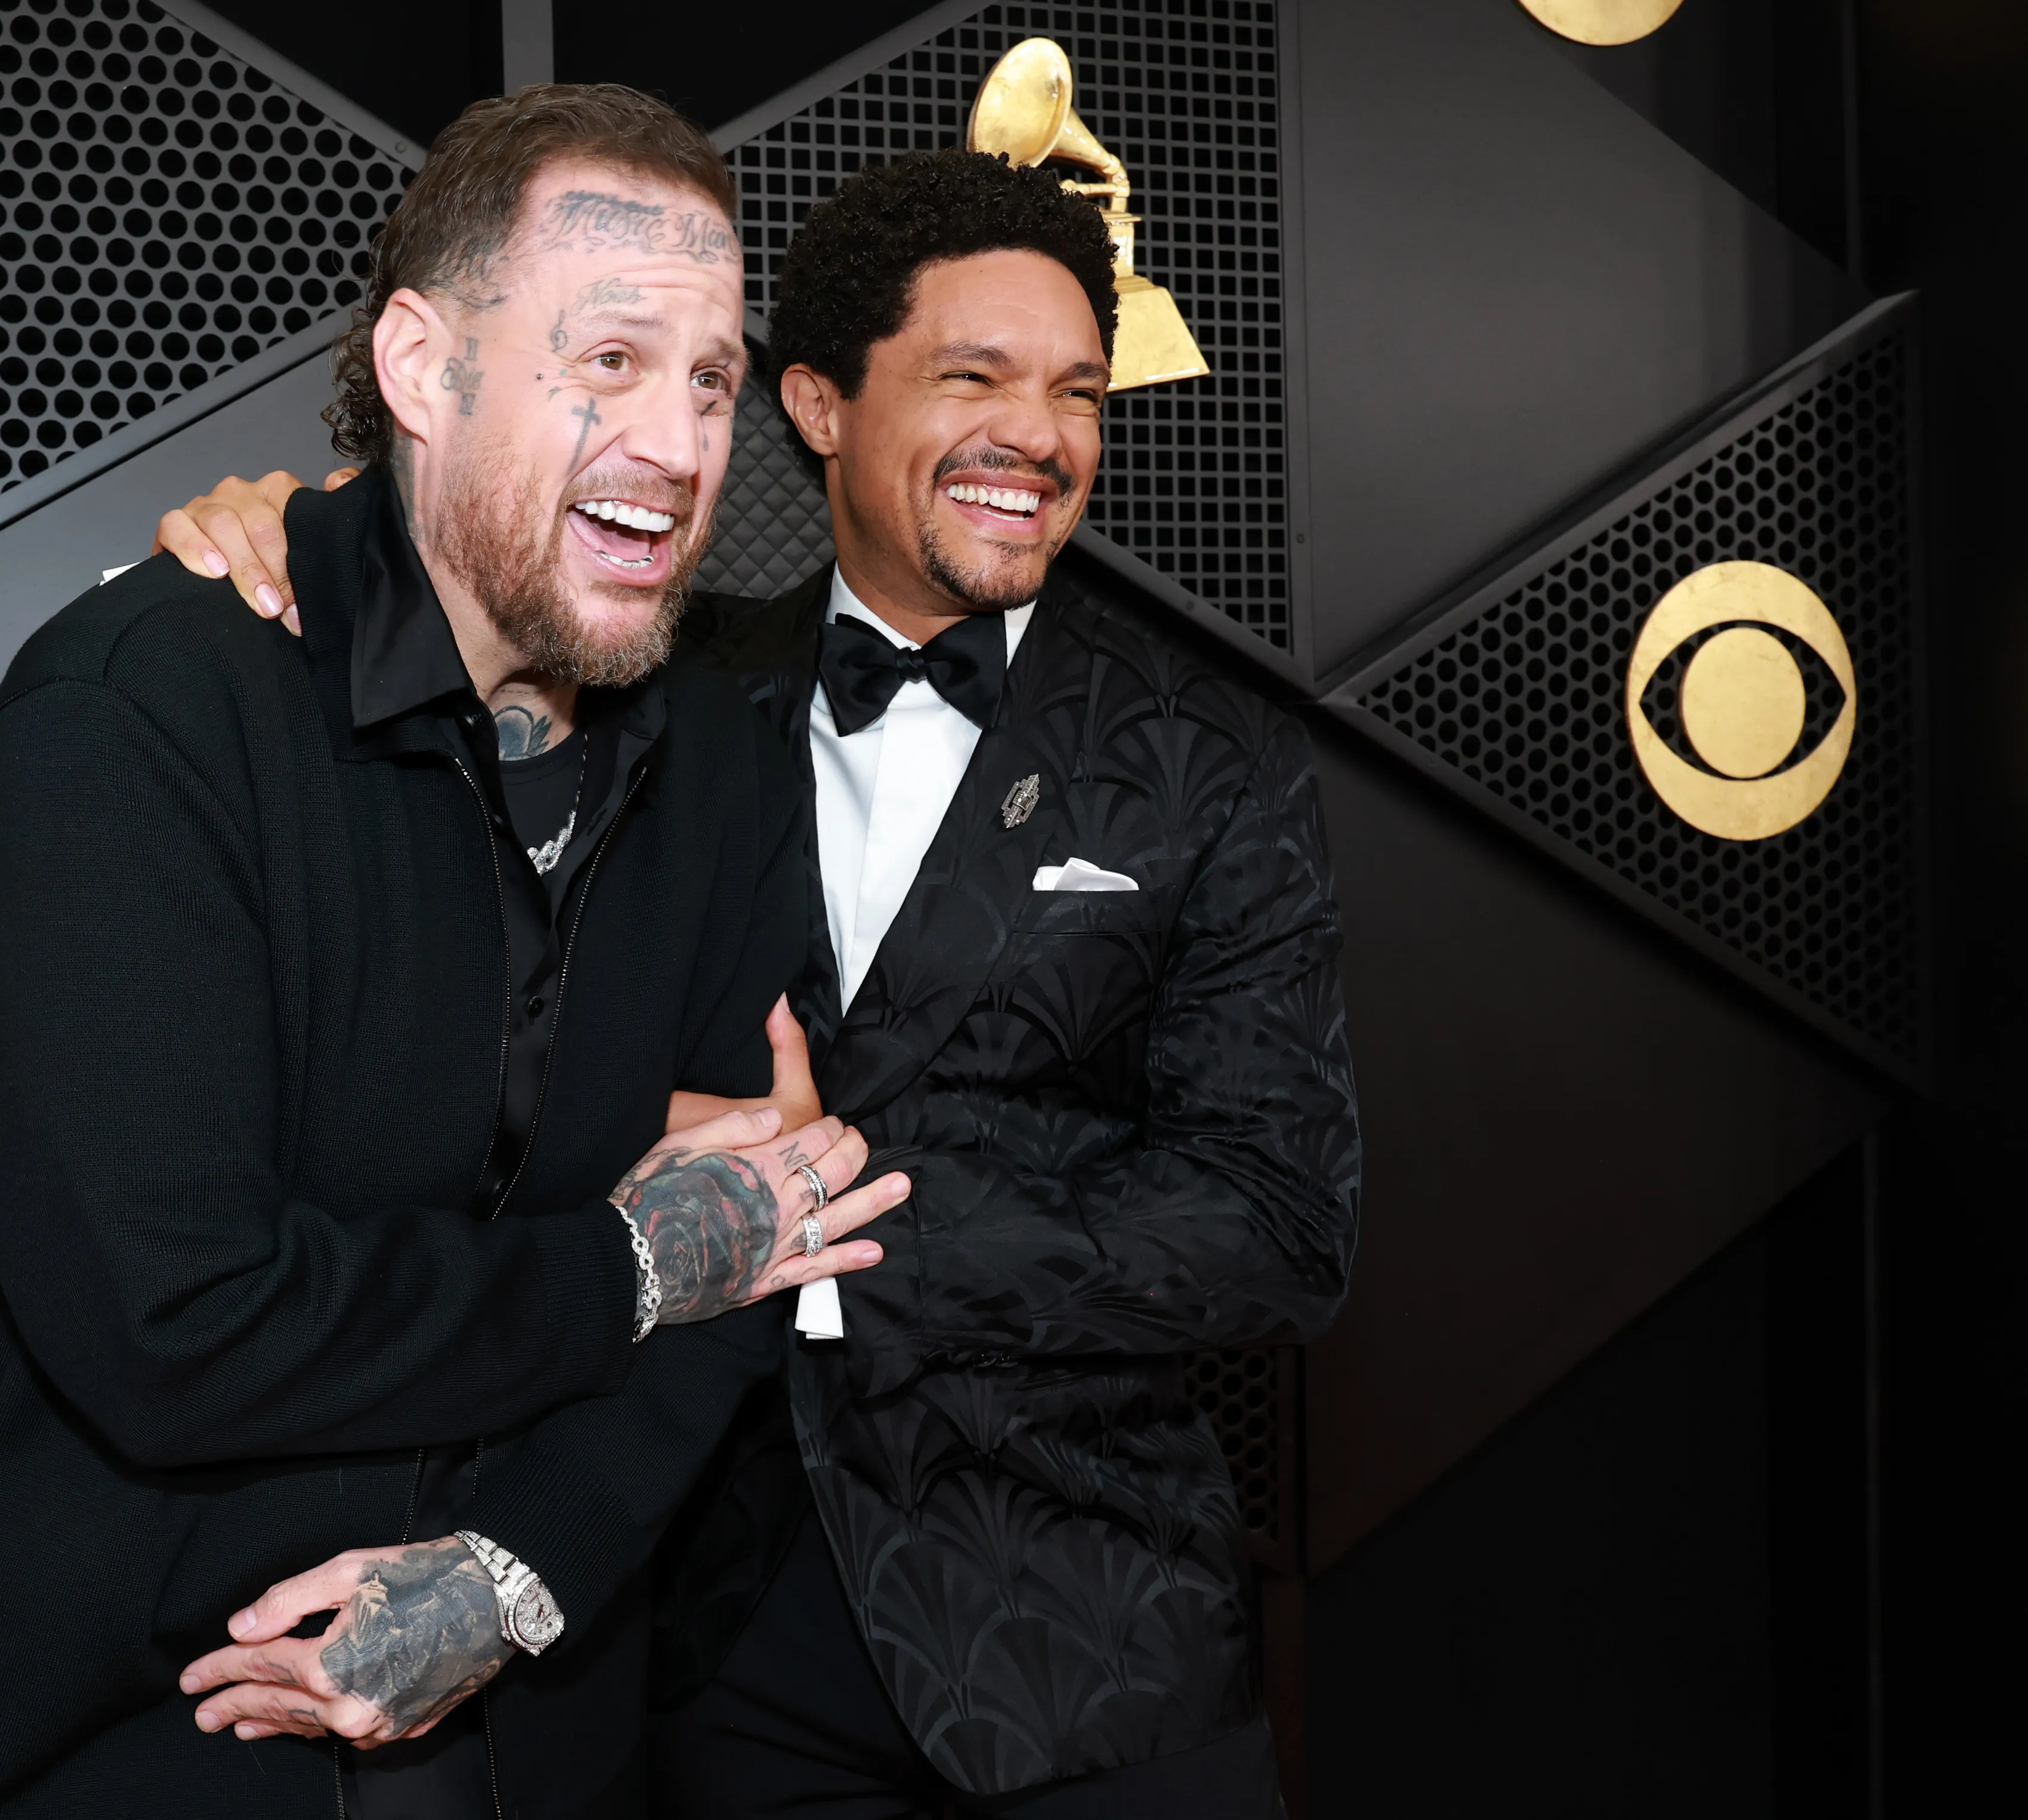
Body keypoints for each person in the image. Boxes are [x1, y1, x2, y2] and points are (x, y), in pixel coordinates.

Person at [157, 147, 1363, 1816]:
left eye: (1079, 390)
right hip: (698, 1641)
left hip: (1096, 1654)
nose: (1042, 432)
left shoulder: (1212, 758)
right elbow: (456, 1040)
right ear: (814, 402)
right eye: (973, 377)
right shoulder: (645, 687)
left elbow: (1277, 1222)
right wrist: (284, 540)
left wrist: (824, 1206)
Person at [0, 84, 909, 1820]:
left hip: (544, 1749)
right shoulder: (135, 713)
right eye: (611, 360)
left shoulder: (726, 737)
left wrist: (519, 1568)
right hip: (139, 1747)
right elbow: (175, 1321)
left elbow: (775, 1231)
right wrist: (633, 1264)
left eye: (712, 378)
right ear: (426, 371)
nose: (680, 437)